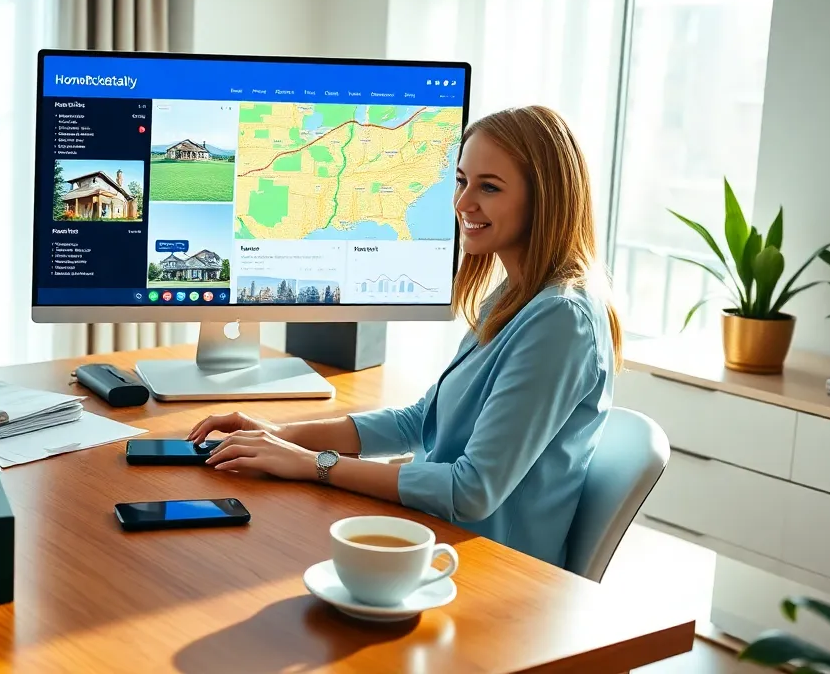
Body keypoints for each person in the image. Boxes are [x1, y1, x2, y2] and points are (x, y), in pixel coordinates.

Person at [188, 105, 623, 569]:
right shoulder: (520, 293)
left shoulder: (562, 319)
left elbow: (470, 491)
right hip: (439, 537)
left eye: (489, 187)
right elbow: (419, 422)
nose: (462, 203)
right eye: (461, 181)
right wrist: (284, 438)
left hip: (490, 570)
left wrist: (315, 465)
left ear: (545, 199)